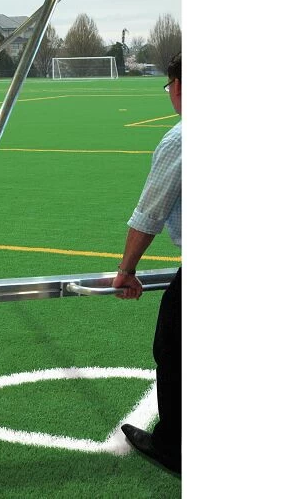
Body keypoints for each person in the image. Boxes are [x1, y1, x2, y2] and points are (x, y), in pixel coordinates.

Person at [114, 52, 182, 474]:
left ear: (178, 86)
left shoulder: (181, 139)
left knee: (173, 348)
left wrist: (127, 270)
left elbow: (150, 214)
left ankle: (174, 446)